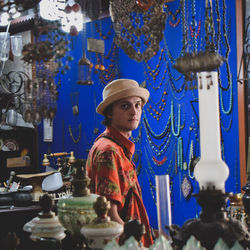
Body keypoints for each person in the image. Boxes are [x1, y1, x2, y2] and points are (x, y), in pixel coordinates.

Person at [86, 79, 154, 247]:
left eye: (137, 105)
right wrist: (135, 245)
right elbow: (108, 214)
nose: (134, 112)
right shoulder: (109, 151)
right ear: (109, 113)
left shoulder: (115, 147)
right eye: (125, 106)